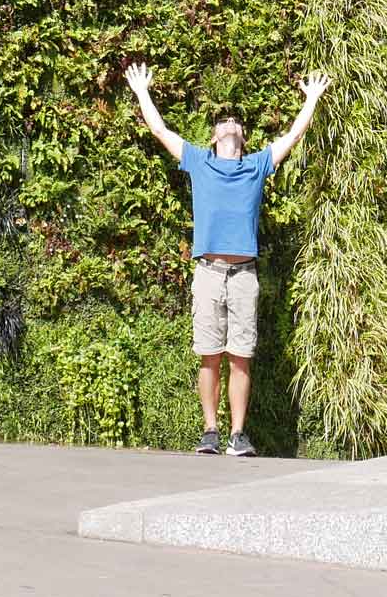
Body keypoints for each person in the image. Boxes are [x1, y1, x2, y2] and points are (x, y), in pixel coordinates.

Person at [123, 63, 329, 456]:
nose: (229, 124)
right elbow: (160, 131)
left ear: (242, 137)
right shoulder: (200, 162)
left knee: (241, 356)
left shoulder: (256, 166)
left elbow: (293, 135)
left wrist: (312, 99)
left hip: (244, 276)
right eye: (223, 122)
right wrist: (142, 91)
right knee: (209, 354)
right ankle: (210, 431)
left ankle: (237, 435)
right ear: (215, 136)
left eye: (235, 122)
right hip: (208, 273)